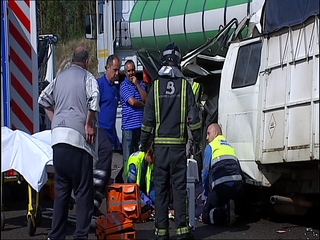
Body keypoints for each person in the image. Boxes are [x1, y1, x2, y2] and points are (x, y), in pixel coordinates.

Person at [139, 42, 201, 240]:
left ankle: (161, 232)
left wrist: (143, 143)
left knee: (162, 190)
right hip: (178, 149)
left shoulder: (155, 87)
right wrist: (198, 141)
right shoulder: (185, 87)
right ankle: (182, 231)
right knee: (179, 190)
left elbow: (148, 120)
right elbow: (194, 118)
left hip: (160, 150)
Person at [38, 46, 100, 240]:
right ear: (87, 62)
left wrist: (55, 118)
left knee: (62, 191)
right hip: (76, 140)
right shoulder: (87, 77)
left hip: (58, 141)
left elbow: (43, 98)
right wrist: (89, 123)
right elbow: (94, 98)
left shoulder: (60, 78)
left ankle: (56, 235)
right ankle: (80, 236)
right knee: (82, 192)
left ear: (72, 60)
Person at [93, 55, 121, 215]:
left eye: (119, 70)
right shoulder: (99, 85)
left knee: (108, 173)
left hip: (110, 133)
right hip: (100, 131)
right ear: (108, 68)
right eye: (115, 69)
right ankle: (91, 204)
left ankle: (97, 205)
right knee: (102, 170)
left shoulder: (114, 88)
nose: (117, 73)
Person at [201, 123, 244, 227]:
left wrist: (206, 193)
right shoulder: (229, 146)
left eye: (208, 133)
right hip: (237, 186)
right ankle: (228, 206)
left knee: (206, 216)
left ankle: (224, 210)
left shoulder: (210, 147)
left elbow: (205, 174)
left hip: (221, 187)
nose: (206, 138)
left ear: (216, 133)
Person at [120, 60, 147, 177]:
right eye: (129, 71)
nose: (131, 73)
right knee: (128, 158)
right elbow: (132, 102)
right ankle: (127, 185)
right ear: (125, 72)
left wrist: (137, 85)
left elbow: (146, 99)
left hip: (140, 127)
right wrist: (142, 104)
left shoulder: (141, 84)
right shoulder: (123, 86)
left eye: (133, 70)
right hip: (129, 128)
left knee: (140, 157)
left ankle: (139, 184)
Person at [124, 142, 155, 208]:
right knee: (142, 206)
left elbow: (152, 185)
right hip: (130, 191)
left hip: (142, 189)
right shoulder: (134, 162)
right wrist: (144, 197)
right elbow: (131, 186)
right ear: (149, 153)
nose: (154, 161)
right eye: (154, 158)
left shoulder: (150, 162)